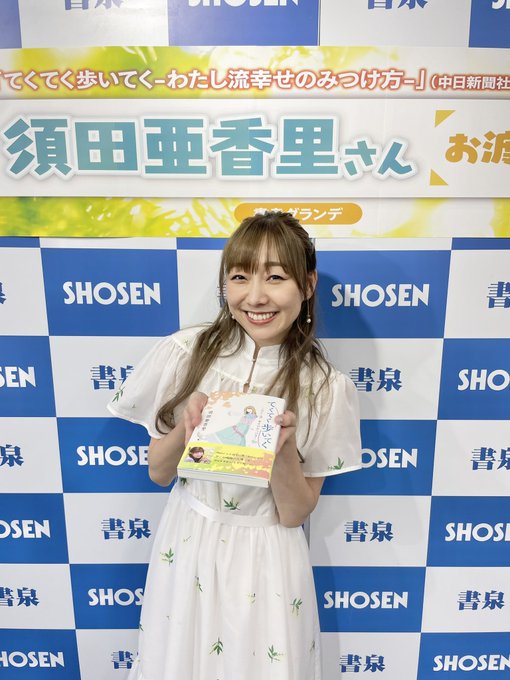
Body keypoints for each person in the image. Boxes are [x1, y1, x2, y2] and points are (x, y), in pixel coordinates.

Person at [107, 210, 361, 680]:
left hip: (268, 556)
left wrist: (282, 453)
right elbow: (158, 473)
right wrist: (185, 428)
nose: (255, 296)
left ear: (307, 285)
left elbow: (295, 513)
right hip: (188, 540)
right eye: (240, 277)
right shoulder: (186, 353)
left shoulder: (325, 387)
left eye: (276, 277)